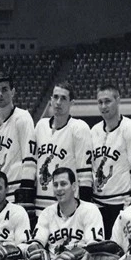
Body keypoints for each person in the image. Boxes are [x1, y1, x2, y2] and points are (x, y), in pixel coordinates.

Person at [32, 82, 93, 223]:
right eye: (55, 97)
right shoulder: (40, 126)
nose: (58, 102)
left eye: (63, 98)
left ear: (72, 103)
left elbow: (85, 175)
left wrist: (83, 209)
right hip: (40, 205)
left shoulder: (79, 128)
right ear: (50, 100)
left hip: (67, 207)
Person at [91, 84, 131, 236]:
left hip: (121, 203)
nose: (103, 106)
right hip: (97, 204)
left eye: (107, 101)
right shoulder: (94, 131)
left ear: (118, 100)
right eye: (100, 102)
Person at [0, 72, 36, 211]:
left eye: (4, 89)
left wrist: (26, 191)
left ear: (13, 92)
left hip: (15, 192)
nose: (0, 94)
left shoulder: (23, 118)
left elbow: (29, 158)